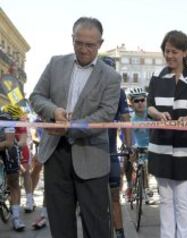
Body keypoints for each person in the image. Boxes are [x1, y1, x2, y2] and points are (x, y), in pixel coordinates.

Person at [29, 17, 121, 238]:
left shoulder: (111, 77)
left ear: (100, 44)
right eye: (78, 42)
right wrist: (53, 111)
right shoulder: (55, 64)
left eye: (90, 45)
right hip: (55, 154)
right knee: (60, 225)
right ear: (72, 38)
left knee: (97, 226)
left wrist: (69, 128)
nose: (83, 49)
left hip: (92, 157)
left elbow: (106, 114)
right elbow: (36, 96)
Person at [147, 30, 187, 238]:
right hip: (160, 145)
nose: (169, 55)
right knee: (165, 200)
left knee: (183, 200)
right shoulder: (157, 76)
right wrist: (158, 114)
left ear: (185, 52)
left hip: (186, 147)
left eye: (174, 51)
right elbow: (150, 106)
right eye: (167, 51)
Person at [101, 56, 132, 238]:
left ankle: (119, 233)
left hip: (110, 151)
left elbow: (126, 120)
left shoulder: (119, 93)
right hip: (90, 152)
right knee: (92, 199)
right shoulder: (89, 88)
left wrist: (129, 146)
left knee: (114, 195)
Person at [0, 108, 25, 231]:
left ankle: (16, 218)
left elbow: (9, 142)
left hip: (6, 147)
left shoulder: (5, 117)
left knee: (13, 182)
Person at [128, 87, 152, 204]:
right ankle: (144, 189)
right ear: (131, 103)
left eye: (142, 100)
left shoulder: (152, 114)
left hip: (153, 148)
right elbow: (128, 137)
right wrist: (131, 147)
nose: (140, 103)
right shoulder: (131, 119)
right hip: (139, 149)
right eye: (136, 101)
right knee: (143, 164)